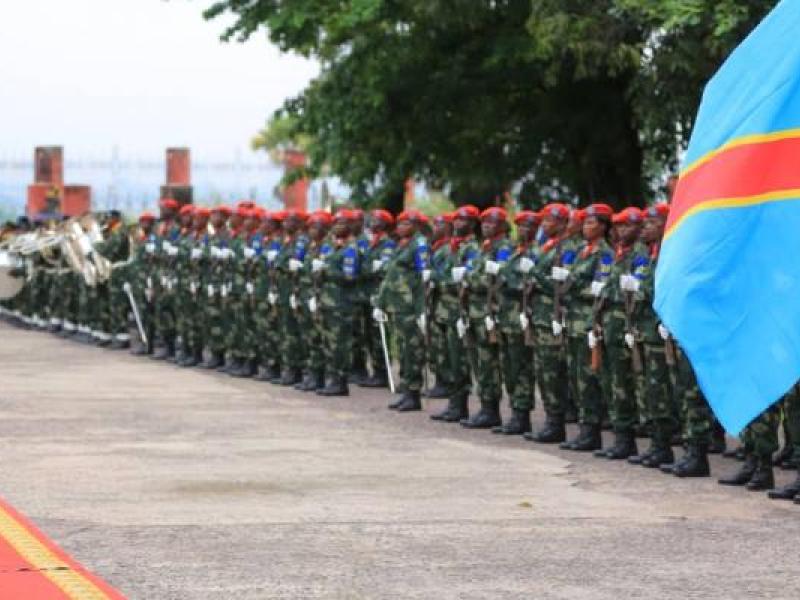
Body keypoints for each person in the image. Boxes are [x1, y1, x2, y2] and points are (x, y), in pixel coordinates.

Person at [592, 207, 650, 460]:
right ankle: (621, 438)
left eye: (628, 226)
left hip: (629, 325)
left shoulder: (640, 255)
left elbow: (638, 292)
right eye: (619, 226)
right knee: (614, 382)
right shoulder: (618, 254)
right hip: (610, 326)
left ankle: (632, 439)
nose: (622, 230)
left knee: (628, 384)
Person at [559, 203, 614, 451]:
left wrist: (571, 286)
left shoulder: (604, 254)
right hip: (573, 321)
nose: (585, 227)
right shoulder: (582, 250)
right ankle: (584, 429)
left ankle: (591, 432)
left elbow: (600, 289)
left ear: (603, 226)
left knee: (588, 380)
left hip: (588, 321)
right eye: (585, 222)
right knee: (575, 377)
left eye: (591, 223)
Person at [460, 207, 513, 429]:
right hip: (476, 312)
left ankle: (494, 410)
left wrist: (469, 280)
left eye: (492, 223)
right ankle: (486, 408)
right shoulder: (485, 248)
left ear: (502, 225)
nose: (487, 226)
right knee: (481, 362)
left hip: (494, 313)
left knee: (493, 362)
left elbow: (495, 280)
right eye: (484, 223)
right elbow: (476, 274)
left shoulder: (504, 249)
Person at [524, 203, 572, 443]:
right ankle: (551, 421)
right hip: (540, 317)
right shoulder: (545, 247)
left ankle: (557, 423)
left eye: (549, 221)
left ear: (563, 223)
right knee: (543, 371)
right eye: (543, 220)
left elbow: (562, 287)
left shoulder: (566, 249)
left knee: (553, 372)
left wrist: (536, 274)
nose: (544, 224)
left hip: (553, 318)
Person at [375, 210, 430, 412]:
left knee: (412, 350)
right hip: (396, 306)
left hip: (409, 306)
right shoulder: (403, 244)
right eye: (398, 224)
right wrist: (380, 304)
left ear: (415, 225)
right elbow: (390, 277)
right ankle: (406, 390)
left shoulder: (419, 244)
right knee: (402, 349)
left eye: (405, 224)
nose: (399, 227)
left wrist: (422, 309)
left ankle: (413, 394)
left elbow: (423, 278)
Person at [430, 205, 481, 423]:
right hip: (444, 311)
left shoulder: (473, 249)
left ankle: (460, 405)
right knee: (449, 358)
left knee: (460, 360)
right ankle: (454, 403)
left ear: (472, 224)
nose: (459, 224)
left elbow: (465, 280)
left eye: (464, 220)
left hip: (461, 311)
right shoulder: (448, 248)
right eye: (456, 220)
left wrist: (442, 279)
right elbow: (436, 272)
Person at [491, 210, 540, 435]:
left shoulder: (537, 253)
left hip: (522, 317)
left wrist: (505, 278)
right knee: (509, 366)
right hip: (507, 317)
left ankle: (522, 415)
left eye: (528, 226)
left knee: (522, 367)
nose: (523, 230)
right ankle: (514, 411)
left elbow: (526, 284)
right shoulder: (515, 252)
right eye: (520, 226)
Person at [317, 209, 360, 396]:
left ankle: (340, 381)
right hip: (327, 301)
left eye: (342, 223)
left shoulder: (351, 249)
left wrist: (327, 271)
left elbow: (350, 277)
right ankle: (331, 379)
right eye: (335, 223)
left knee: (339, 344)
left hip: (341, 303)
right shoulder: (332, 247)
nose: (337, 226)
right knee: (328, 342)